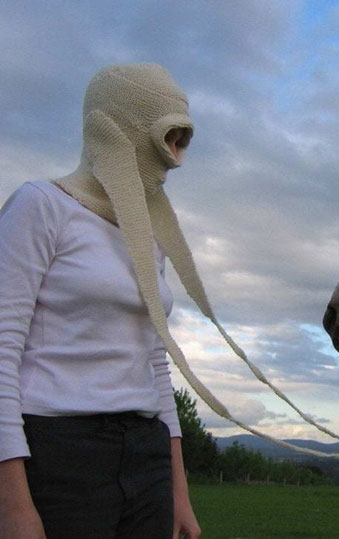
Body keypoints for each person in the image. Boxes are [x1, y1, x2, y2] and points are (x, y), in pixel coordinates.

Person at [0, 64, 202, 539]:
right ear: (121, 128)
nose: (175, 157)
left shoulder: (148, 236)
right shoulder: (41, 205)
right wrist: (12, 505)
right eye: (167, 137)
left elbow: (155, 361)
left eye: (183, 140)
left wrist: (178, 493)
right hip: (58, 454)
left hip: (147, 455)